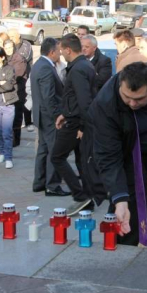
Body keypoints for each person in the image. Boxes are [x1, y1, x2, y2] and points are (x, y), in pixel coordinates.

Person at [88, 62, 147, 246]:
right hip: (124, 153)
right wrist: (120, 199)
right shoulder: (105, 105)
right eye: (127, 97)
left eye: (139, 99)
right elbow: (109, 157)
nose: (132, 103)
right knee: (129, 204)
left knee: (136, 203)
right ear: (121, 84)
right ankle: (123, 251)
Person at [53, 33, 96, 215]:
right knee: (81, 161)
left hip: (76, 123)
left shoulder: (79, 68)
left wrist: (82, 127)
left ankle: (80, 196)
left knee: (57, 157)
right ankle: (87, 198)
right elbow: (76, 97)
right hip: (74, 118)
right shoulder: (84, 65)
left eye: (62, 50)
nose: (61, 53)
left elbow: (85, 100)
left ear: (68, 50)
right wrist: (64, 112)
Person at [31, 38, 70, 197]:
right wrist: (57, 116)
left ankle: (39, 182)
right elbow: (48, 97)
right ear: (52, 52)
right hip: (49, 116)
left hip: (41, 115)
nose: (60, 54)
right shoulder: (46, 68)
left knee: (43, 149)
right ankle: (52, 185)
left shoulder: (38, 64)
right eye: (58, 51)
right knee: (54, 150)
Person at [7, 28, 34, 132]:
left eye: (13, 37)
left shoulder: (26, 45)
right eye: (9, 37)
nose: (11, 39)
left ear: (18, 36)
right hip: (14, 78)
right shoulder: (10, 46)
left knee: (25, 99)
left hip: (25, 76)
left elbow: (23, 58)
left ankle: (28, 122)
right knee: (17, 101)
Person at [4, 39, 29, 147]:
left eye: (10, 47)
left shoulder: (19, 59)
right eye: (6, 48)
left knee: (17, 117)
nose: (8, 50)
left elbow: (16, 75)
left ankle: (16, 139)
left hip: (18, 92)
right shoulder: (5, 58)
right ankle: (10, 138)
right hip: (9, 92)